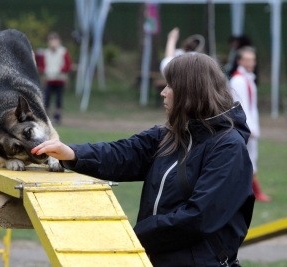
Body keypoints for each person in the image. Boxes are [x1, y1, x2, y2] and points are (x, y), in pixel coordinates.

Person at [31, 53, 255, 266]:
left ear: (190, 91)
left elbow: (198, 217)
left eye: (170, 86)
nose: (163, 92)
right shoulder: (170, 135)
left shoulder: (228, 147)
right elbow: (123, 153)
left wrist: (132, 236)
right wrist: (72, 153)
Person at [230, 46, 271, 202]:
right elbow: (241, 104)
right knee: (248, 158)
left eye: (252, 59)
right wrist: (248, 126)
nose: (250, 63)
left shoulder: (248, 78)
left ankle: (249, 191)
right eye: (247, 59)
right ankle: (255, 191)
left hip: (251, 123)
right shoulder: (239, 79)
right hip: (246, 126)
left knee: (250, 157)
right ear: (239, 60)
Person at [38, 32, 72, 124]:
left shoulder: (63, 51)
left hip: (59, 79)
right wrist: (46, 70)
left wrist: (59, 70)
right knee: (46, 98)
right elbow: (42, 66)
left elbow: (68, 66)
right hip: (49, 80)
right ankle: (46, 116)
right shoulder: (46, 52)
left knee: (58, 100)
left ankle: (57, 116)